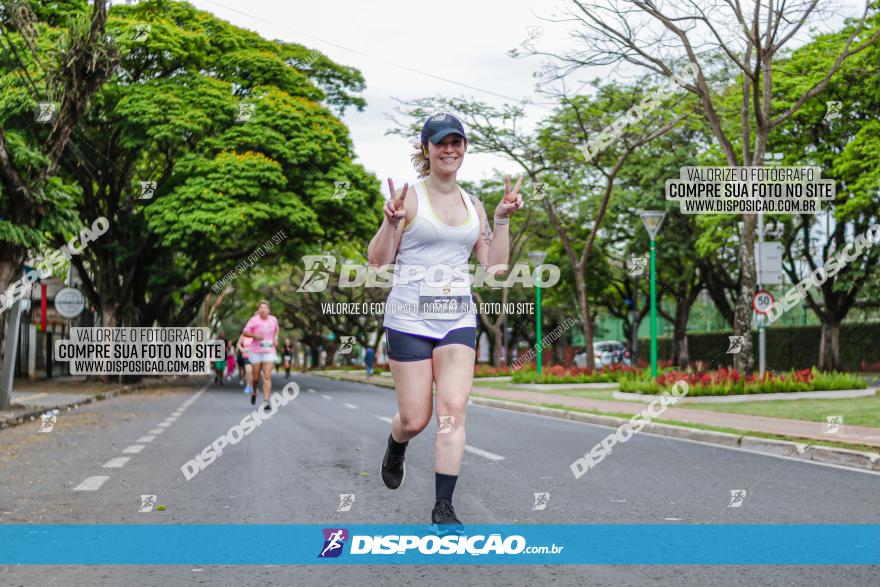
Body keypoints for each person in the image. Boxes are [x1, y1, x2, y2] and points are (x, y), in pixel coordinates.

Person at [366, 111, 521, 534]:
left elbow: (495, 268)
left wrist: (503, 218)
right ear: (426, 150)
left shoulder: (474, 206)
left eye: (456, 142)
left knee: (452, 411)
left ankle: (443, 507)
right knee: (416, 418)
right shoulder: (409, 199)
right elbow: (377, 262)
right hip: (409, 319)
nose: (449, 149)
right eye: (440, 143)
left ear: (464, 148)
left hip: (456, 319)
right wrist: (390, 222)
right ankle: (397, 443)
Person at [242, 300, 280, 411]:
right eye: (261, 308)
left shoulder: (274, 320)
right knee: (256, 377)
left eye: (265, 307)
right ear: (259, 310)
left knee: (267, 375)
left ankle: (267, 400)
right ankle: (254, 392)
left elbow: (276, 330)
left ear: (269, 310)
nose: (263, 309)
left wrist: (276, 339)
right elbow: (245, 332)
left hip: (269, 350)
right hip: (256, 351)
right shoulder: (253, 320)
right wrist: (255, 336)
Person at [236, 332, 255, 400]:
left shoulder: (255, 334)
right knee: (248, 371)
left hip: (255, 356)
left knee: (253, 372)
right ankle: (248, 385)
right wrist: (242, 349)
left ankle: (252, 386)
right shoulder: (243, 335)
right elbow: (238, 344)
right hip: (246, 355)